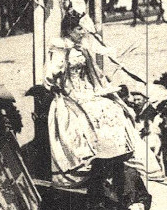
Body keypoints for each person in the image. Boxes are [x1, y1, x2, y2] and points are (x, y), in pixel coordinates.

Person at [44, 11, 140, 187]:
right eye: (78, 28)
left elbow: (93, 72)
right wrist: (56, 79)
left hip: (88, 89)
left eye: (82, 28)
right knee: (89, 112)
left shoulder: (83, 47)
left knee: (111, 107)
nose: (82, 32)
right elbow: (51, 75)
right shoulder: (60, 47)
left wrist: (102, 87)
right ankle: (90, 159)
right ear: (69, 30)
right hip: (70, 93)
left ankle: (114, 154)